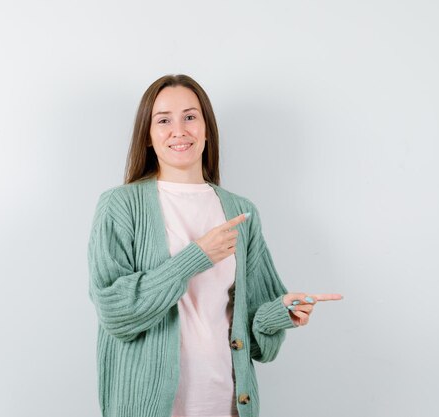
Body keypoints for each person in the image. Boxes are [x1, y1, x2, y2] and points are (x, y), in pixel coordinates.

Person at [87, 74, 343, 417]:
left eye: (190, 117)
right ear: (148, 136)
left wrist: (279, 312)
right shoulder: (120, 206)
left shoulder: (241, 211)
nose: (179, 130)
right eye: (163, 120)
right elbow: (115, 312)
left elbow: (256, 340)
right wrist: (196, 258)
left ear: (207, 129)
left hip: (227, 405)